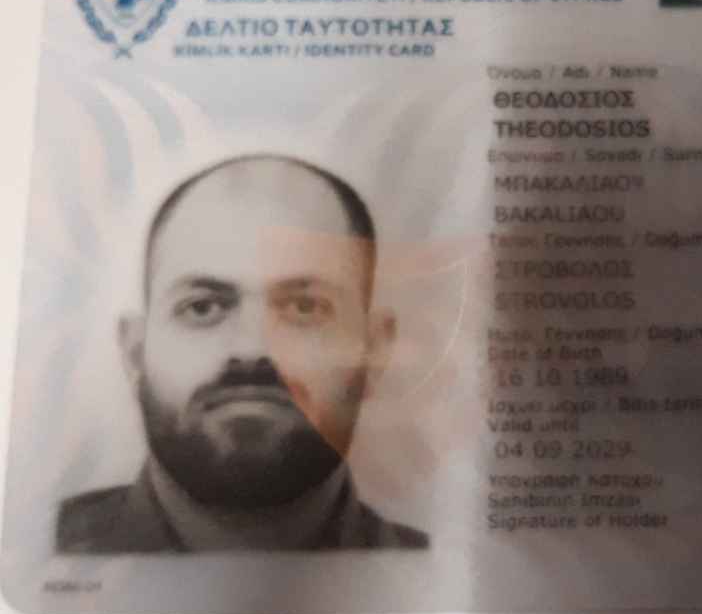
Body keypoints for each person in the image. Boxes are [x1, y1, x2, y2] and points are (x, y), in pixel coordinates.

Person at [56, 154, 429, 553]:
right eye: (202, 308)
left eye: (305, 307)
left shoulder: (436, 572)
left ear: (374, 351)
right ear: (135, 354)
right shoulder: (30, 551)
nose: (252, 348)